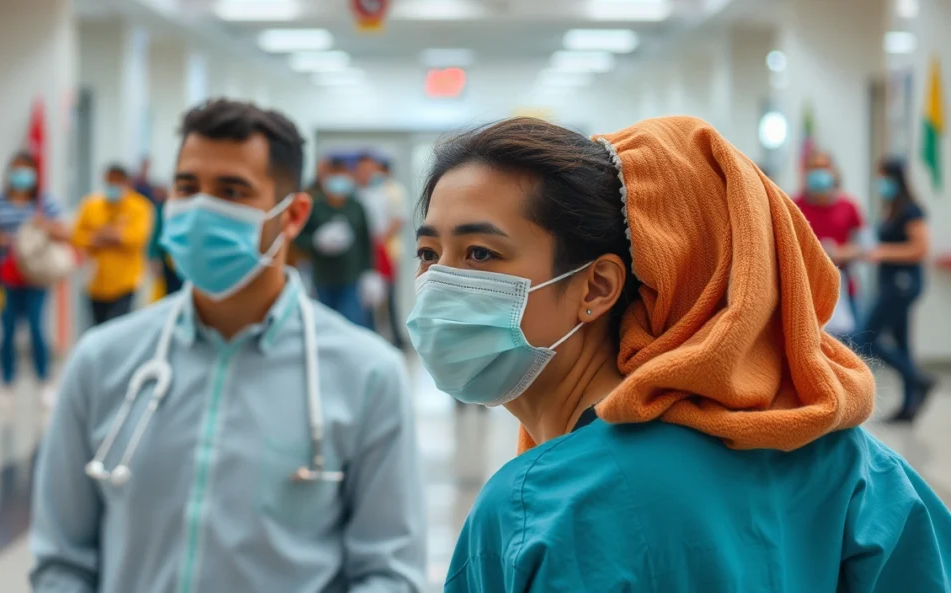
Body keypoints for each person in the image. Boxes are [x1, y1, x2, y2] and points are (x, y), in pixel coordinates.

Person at [406, 117, 951, 592]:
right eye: (428, 253)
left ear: (596, 288)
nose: (439, 283)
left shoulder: (532, 508)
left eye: (481, 253)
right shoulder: (841, 460)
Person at [30, 99, 426, 593]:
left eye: (232, 191)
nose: (201, 209)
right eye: (187, 187)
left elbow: (388, 573)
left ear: (294, 215)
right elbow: (61, 562)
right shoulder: (102, 361)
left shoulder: (367, 376)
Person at [0, 152, 70, 405]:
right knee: (7, 330)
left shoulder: (45, 203)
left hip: (36, 276)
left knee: (36, 328)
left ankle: (44, 381)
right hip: (6, 277)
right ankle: (6, 383)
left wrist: (45, 226)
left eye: (26, 171)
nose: (21, 177)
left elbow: (65, 232)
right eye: (16, 170)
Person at [852, 158, 936, 422]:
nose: (881, 184)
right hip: (891, 282)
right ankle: (909, 407)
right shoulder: (893, 209)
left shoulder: (911, 211)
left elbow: (920, 249)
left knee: (865, 338)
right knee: (902, 342)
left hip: (903, 283)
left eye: (883, 178)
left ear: (895, 178)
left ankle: (918, 378)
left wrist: (883, 252)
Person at [294, 157, 374, 327]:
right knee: (325, 327)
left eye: (342, 175)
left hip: (351, 278)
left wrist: (370, 273)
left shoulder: (356, 206)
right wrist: (316, 241)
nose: (338, 180)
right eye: (334, 175)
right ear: (325, 178)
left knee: (352, 325)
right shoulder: (314, 206)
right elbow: (298, 238)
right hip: (322, 278)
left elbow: (366, 241)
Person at [794, 151, 866, 331]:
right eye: (814, 168)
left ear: (833, 172)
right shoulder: (793, 205)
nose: (819, 173)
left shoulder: (849, 207)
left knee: (852, 348)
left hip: (844, 290)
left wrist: (839, 253)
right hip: (806, 292)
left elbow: (866, 246)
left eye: (823, 168)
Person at [73, 164, 154, 326]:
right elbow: (77, 236)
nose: (112, 186)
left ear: (126, 183)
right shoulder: (92, 205)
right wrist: (102, 238)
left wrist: (106, 236)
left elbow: (137, 238)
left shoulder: (139, 206)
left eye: (117, 182)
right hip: (96, 282)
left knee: (119, 328)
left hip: (125, 282)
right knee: (97, 329)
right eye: (109, 182)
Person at [354, 153, 407, 346]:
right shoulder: (355, 194)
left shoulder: (386, 193)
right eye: (363, 170)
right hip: (361, 254)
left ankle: (395, 339)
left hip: (384, 251)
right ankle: (370, 337)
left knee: (388, 297)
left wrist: (379, 239)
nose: (367, 174)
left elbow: (397, 219)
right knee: (365, 298)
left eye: (370, 169)